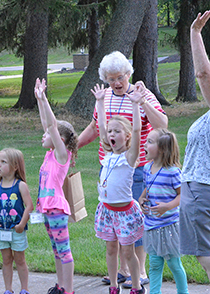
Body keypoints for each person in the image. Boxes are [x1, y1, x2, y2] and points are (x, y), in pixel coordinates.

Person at [78, 51, 168, 288]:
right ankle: (121, 269)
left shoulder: (142, 94)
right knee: (113, 221)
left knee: (133, 220)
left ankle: (140, 272)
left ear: (128, 74)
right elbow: (96, 126)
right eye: (111, 79)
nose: (116, 83)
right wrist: (73, 146)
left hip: (135, 166)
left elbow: (162, 125)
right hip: (108, 165)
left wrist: (142, 102)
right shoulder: (104, 96)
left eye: (120, 77)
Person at [92, 81, 145, 294]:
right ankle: (114, 286)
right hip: (107, 211)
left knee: (128, 252)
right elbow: (102, 127)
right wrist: (100, 101)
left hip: (125, 213)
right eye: (111, 132)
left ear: (127, 137)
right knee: (111, 249)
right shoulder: (108, 156)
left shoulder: (129, 157)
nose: (112, 134)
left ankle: (136, 285)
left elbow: (137, 128)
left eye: (117, 131)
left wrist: (135, 105)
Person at [34, 78, 78, 294]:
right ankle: (60, 285)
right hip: (46, 209)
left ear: (58, 138)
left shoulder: (62, 155)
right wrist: (39, 100)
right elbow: (47, 124)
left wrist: (44, 99)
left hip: (57, 210)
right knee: (56, 250)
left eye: (48, 135)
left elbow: (50, 125)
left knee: (64, 251)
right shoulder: (49, 154)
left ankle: (68, 289)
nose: (44, 135)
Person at [138, 129, 188, 294]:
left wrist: (168, 206)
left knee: (174, 263)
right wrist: (141, 198)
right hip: (151, 225)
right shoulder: (147, 168)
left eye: (150, 142)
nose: (144, 144)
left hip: (169, 226)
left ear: (162, 149)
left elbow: (183, 195)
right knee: (154, 263)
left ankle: (183, 292)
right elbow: (148, 187)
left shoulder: (173, 172)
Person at [180, 10, 210, 281]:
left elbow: (202, 73)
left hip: (202, 188)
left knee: (206, 255)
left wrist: (195, 33)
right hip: (199, 187)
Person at [0, 148, 33, 294]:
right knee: (6, 260)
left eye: (3, 162)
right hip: (1, 230)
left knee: (19, 260)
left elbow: (29, 206)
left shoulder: (20, 185)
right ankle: (8, 289)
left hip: (16, 230)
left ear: (15, 166)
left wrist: (22, 224)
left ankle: (24, 289)